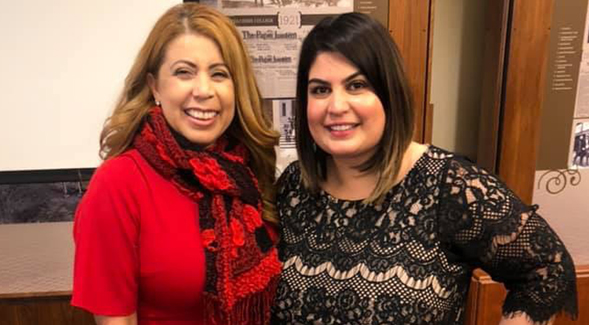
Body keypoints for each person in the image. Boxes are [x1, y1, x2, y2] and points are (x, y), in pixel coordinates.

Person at [272, 12, 578, 325]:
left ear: (390, 93)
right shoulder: (294, 186)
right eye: (320, 90)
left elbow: (547, 271)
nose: (336, 106)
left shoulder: (448, 185)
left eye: (357, 85)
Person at [71, 3, 281, 325]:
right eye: (184, 72)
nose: (204, 90)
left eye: (220, 74)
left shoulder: (247, 170)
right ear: (155, 86)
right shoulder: (119, 184)